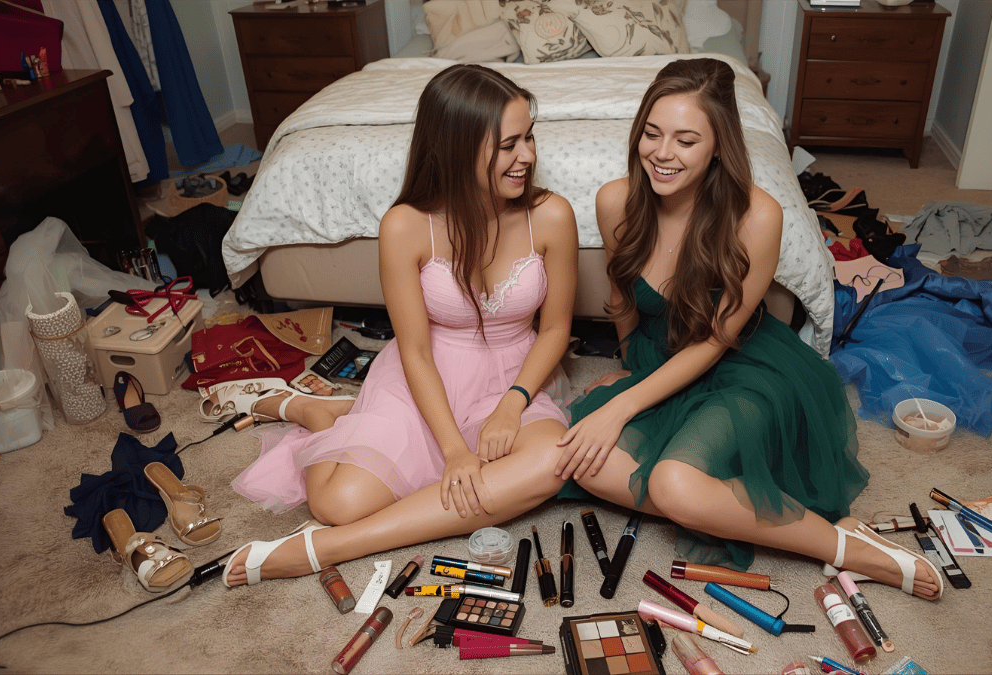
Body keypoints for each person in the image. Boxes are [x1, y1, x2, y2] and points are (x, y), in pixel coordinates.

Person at [555, 58, 941, 600]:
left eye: (686, 140)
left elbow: (715, 340)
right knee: (583, 461)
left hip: (741, 364)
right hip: (655, 359)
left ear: (719, 146)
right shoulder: (615, 199)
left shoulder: (758, 215)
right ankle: (737, 507)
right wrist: (623, 367)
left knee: (672, 482)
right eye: (652, 133)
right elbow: (622, 299)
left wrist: (621, 407)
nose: (662, 154)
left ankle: (840, 546)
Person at [213, 64, 578, 586]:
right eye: (508, 144)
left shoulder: (552, 215)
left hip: (517, 379)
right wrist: (455, 452)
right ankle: (322, 417)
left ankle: (326, 548)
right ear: (457, 146)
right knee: (338, 502)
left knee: (548, 465)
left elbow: (555, 331)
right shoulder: (406, 225)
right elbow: (416, 352)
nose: (527, 156)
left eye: (530, 137)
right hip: (428, 376)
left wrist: (512, 404)